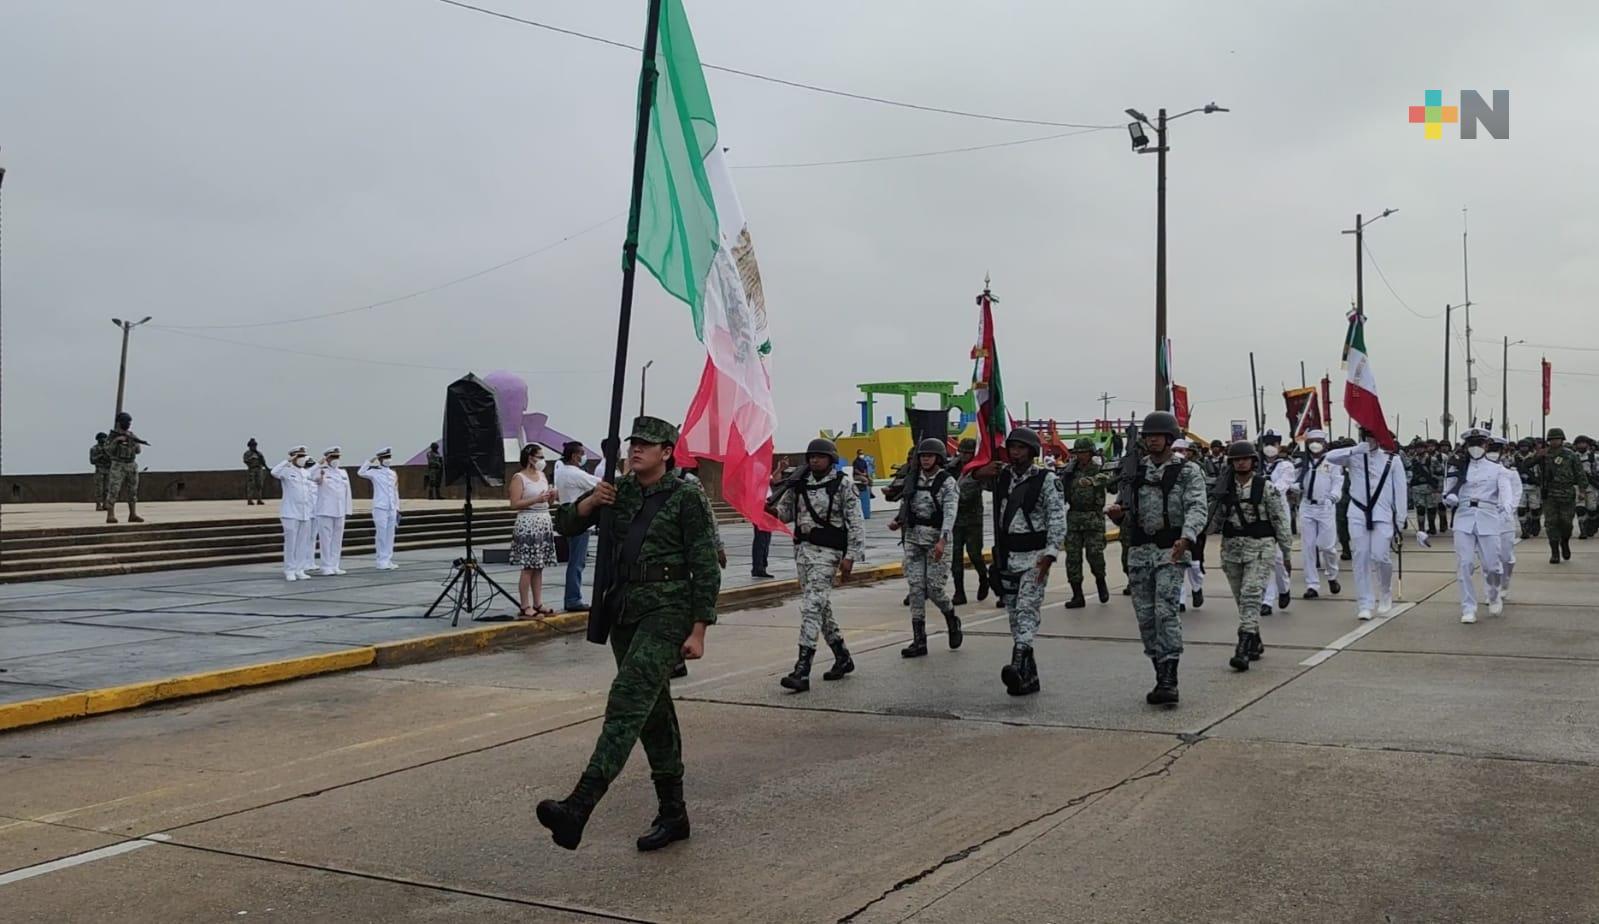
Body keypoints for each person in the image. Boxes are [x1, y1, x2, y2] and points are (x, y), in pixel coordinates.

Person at [538, 417, 720, 853]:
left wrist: (699, 630)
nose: (636, 449)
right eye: (633, 442)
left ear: (666, 452)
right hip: (624, 612)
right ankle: (674, 812)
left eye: (647, 444)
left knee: (626, 701)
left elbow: (706, 564)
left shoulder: (686, 496)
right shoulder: (616, 491)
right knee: (652, 713)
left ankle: (580, 806)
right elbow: (563, 524)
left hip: (667, 611)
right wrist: (587, 506)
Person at [1106, 411, 1208, 706]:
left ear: (1169, 438)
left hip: (1170, 550)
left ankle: (1169, 679)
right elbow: (1124, 511)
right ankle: (1159, 670)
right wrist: (1117, 515)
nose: (1152, 440)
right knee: (1146, 619)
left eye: (1157, 436)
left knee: (1166, 612)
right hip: (1139, 553)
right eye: (1148, 436)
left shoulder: (1188, 472)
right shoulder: (1135, 472)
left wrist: (1187, 537)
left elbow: (1197, 508)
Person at [767, 438, 865, 692]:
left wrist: (851, 556)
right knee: (821, 608)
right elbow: (787, 513)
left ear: (831, 459)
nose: (814, 461)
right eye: (811, 457)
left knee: (811, 606)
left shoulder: (842, 485)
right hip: (803, 552)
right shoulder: (799, 483)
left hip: (829, 552)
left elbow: (855, 522)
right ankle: (842, 656)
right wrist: (771, 511)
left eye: (820, 457)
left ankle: (802, 669)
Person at [980, 428, 1065, 696]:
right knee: (1015, 614)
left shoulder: (1046, 480)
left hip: (1035, 557)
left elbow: (1056, 516)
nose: (1015, 452)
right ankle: (1029, 676)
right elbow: (963, 485)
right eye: (1012, 448)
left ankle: (1016, 665)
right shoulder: (1001, 476)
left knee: (1027, 609)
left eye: (1021, 448)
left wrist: (1051, 553)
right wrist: (978, 471)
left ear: (1031, 451)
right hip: (1008, 555)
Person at [1208, 441, 1292, 672]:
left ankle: (1243, 647)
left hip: (1260, 548)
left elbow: (1279, 521)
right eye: (1236, 459)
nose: (1241, 462)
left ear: (1253, 461)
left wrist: (1286, 552)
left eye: (1245, 458)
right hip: (1232, 549)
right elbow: (1212, 521)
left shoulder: (1265, 487)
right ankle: (1254, 640)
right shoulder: (1224, 488)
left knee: (1251, 594)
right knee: (1241, 599)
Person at [1323, 429, 1408, 620]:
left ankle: (1385, 593)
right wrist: (1354, 450)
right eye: (1367, 436)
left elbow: (1401, 491)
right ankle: (1365, 603)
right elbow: (1329, 457)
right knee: (1360, 557)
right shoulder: (1354, 457)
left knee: (1380, 556)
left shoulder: (1392, 460)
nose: (1370, 440)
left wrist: (1400, 520)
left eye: (1373, 436)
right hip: (1358, 512)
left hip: (1383, 513)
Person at [889, 438, 962, 658]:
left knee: (934, 588)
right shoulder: (913, 479)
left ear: (939, 458)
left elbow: (950, 513)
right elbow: (906, 503)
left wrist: (943, 540)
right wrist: (898, 520)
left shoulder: (947, 482)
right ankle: (919, 640)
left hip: (936, 539)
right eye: (922, 456)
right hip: (913, 538)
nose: (925, 459)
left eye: (929, 456)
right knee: (916, 589)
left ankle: (951, 616)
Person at [1441, 428, 1518, 622]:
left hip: (1488, 517)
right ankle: (1468, 608)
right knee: (1464, 564)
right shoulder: (1456, 467)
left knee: (1492, 566)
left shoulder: (1497, 469)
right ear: (1467, 446)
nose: (1475, 448)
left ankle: (1493, 594)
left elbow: (1506, 491)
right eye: (1471, 444)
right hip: (1464, 517)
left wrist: (1507, 507)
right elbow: (1447, 492)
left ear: (1486, 445)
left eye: (1479, 444)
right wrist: (1448, 498)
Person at [1061, 437, 1115, 608]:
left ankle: (1101, 581)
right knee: (1073, 558)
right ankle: (1077, 594)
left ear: (1091, 453)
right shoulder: (1070, 471)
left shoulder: (1098, 469)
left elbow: (1109, 480)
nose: (1080, 456)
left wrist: (1092, 481)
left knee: (1095, 555)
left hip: (1093, 518)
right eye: (1078, 453)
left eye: (1083, 452)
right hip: (1074, 518)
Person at [509, 444, 561, 618]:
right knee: (528, 566)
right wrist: (536, 499)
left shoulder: (542, 475)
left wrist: (551, 497)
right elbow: (515, 503)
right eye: (539, 456)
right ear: (530, 458)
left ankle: (538, 603)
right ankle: (525, 605)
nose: (542, 460)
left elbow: (547, 502)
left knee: (539, 566)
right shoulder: (519, 477)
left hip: (543, 519)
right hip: (528, 522)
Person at [1294, 429, 1344, 599]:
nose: (1314, 444)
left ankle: (1332, 575)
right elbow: (1294, 480)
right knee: (1308, 547)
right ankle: (1312, 585)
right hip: (1307, 507)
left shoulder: (1332, 461)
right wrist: (1293, 486)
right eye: (1311, 441)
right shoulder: (1302, 462)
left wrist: (1334, 497)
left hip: (1325, 507)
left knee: (1327, 546)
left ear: (1324, 443)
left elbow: (1338, 482)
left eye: (1318, 441)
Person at [555, 441, 602, 612]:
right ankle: (573, 598)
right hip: (578, 521)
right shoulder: (575, 474)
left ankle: (572, 597)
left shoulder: (561, 472)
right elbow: (600, 484)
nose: (583, 457)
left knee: (574, 561)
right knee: (577, 562)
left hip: (567, 518)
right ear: (575, 456)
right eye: (582, 454)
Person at [1256, 430, 1295, 615]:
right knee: (1265, 559)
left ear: (1279, 446)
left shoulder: (1285, 466)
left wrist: (1264, 484)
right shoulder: (1256, 464)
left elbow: (1282, 486)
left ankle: (1284, 588)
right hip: (1260, 513)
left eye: (1273, 444)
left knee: (1278, 559)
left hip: (1279, 513)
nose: (1270, 448)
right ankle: (1267, 600)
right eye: (1266, 444)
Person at [1535, 428, 1585, 564]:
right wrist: (1538, 456)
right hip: (1549, 494)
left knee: (1567, 523)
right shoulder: (1544, 454)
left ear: (1562, 440)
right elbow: (1525, 465)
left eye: (1557, 439)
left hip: (1567, 493)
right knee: (1551, 523)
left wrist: (1582, 490)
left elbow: (1580, 473)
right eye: (1551, 440)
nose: (1554, 442)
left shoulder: (1570, 455)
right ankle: (1554, 552)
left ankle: (1564, 541)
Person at [949, 438, 989, 605]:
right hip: (955, 518)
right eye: (962, 452)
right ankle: (959, 592)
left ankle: (983, 578)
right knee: (955, 557)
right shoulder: (952, 467)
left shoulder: (979, 468)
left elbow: (988, 486)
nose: (964, 456)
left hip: (973, 518)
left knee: (974, 554)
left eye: (968, 453)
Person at [271, 446, 316, 581]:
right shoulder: (286, 471)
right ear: (293, 457)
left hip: (305, 512)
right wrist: (287, 461)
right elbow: (274, 472)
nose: (302, 459)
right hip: (290, 512)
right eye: (299, 456)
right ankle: (289, 569)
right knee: (291, 542)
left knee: (303, 542)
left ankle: (300, 569)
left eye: (303, 456)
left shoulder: (306, 473)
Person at [1487, 436, 1523, 601]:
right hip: (1486, 519)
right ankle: (1492, 590)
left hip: (1505, 519)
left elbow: (1516, 493)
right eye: (1489, 450)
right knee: (1489, 559)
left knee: (1506, 557)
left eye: (1495, 450)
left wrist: (1509, 509)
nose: (1492, 453)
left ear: (1502, 452)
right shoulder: (1481, 473)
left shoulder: (1510, 473)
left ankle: (1505, 582)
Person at [313, 446, 353, 576]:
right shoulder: (321, 471)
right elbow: (308, 475)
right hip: (325, 510)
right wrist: (319, 464)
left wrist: (348, 510)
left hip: (339, 510)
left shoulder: (343, 473)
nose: (336, 460)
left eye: (337, 457)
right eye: (333, 457)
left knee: (337, 539)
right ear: (327, 458)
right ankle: (326, 566)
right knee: (326, 540)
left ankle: (335, 565)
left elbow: (348, 493)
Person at [359, 447, 400, 570]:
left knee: (390, 535)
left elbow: (395, 491)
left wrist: (397, 507)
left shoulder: (393, 473)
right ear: (380, 459)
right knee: (381, 534)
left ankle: (388, 559)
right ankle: (381, 560)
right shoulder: (374, 472)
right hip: (380, 507)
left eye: (389, 457)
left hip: (391, 507)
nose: (388, 460)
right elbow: (360, 472)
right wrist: (370, 460)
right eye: (385, 458)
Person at [104, 411, 145, 524]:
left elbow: (138, 451)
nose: (128, 424)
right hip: (118, 465)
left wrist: (133, 441)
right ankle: (110, 514)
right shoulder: (112, 436)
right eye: (126, 422)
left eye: (129, 422)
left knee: (133, 491)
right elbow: (108, 451)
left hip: (131, 465)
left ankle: (132, 514)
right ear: (119, 422)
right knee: (114, 490)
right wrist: (117, 441)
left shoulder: (131, 435)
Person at [1573, 435, 1599, 540]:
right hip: (1577, 486)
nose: (1581, 445)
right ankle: (1582, 530)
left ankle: (1592, 525)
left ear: (1587, 445)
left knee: (1592, 508)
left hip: (1591, 486)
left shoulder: (1594, 457)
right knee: (1580, 508)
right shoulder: (1573, 456)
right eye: (1579, 443)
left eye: (1583, 443)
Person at [243, 438, 268, 506]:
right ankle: (250, 500)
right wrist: (251, 459)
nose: (253, 447)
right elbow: (245, 460)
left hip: (259, 469)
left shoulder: (259, 453)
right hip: (252, 470)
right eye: (252, 445)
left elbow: (263, 462)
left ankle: (259, 499)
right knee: (251, 485)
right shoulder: (247, 453)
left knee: (259, 485)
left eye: (254, 445)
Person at [90, 433, 111, 512]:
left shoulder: (108, 448)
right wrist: (100, 456)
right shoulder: (94, 449)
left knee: (107, 489)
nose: (104, 440)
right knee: (99, 489)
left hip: (108, 469)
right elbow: (92, 460)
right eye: (102, 438)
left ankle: (105, 504)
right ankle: (98, 504)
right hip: (99, 470)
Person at [852, 449, 874, 519]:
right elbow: (855, 470)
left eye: (862, 453)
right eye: (860, 453)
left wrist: (866, 474)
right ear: (858, 454)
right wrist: (862, 474)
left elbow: (865, 469)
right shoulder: (855, 461)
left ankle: (870, 492)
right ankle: (863, 490)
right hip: (857, 475)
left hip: (863, 475)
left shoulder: (864, 461)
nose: (862, 455)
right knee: (865, 480)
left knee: (870, 480)